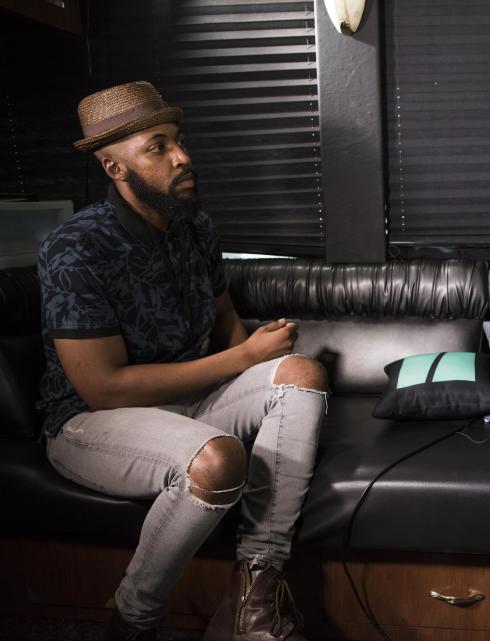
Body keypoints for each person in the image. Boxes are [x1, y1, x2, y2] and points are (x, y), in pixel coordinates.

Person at [36, 81, 329, 641]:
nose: (182, 156)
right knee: (217, 460)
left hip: (190, 407)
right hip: (90, 422)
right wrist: (244, 358)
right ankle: (132, 620)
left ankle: (255, 597)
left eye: (179, 141)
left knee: (302, 372)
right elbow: (102, 389)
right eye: (158, 147)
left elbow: (222, 319)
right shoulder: (75, 248)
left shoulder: (196, 227)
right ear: (114, 168)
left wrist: (250, 360)